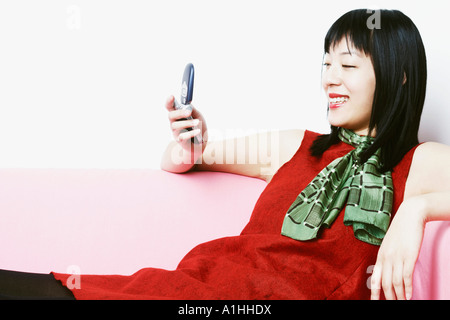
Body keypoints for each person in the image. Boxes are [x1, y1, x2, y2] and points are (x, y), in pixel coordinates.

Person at [1, 8, 449, 300]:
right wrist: (190, 144)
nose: (330, 78)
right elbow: (179, 160)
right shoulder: (298, 143)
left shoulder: (420, 162)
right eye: (326, 63)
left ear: (400, 77)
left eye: (348, 65)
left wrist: (417, 210)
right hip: (211, 286)